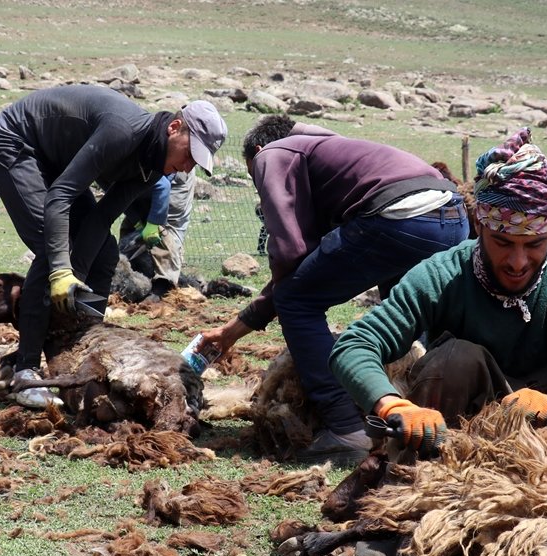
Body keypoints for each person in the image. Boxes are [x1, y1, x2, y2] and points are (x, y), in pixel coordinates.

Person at [329, 128, 547, 463]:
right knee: (455, 357)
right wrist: (392, 405)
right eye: (503, 242)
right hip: (465, 420)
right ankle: (427, 462)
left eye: (534, 244)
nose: (518, 262)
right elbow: (356, 344)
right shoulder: (442, 274)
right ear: (480, 226)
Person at [200, 114, 470, 466]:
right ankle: (428, 416)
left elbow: (290, 256)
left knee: (296, 300)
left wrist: (252, 317)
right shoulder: (330, 152)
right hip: (452, 216)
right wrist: (235, 330)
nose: (261, 185)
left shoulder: (272, 154)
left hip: (399, 217)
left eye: (255, 178)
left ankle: (345, 427)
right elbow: (309, 260)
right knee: (406, 310)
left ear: (259, 150)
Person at [0, 85, 226, 408]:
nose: (187, 167)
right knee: (52, 247)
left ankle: (78, 343)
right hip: (15, 142)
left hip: (55, 160)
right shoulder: (122, 132)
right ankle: (24, 371)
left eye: (197, 162)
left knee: (105, 252)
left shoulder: (152, 169)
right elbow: (61, 197)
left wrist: (74, 279)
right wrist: (61, 270)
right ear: (174, 128)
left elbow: (101, 218)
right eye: (190, 154)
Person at [117, 171, 196, 299]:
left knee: (165, 232)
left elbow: (163, 185)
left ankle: (163, 287)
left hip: (174, 176)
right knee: (131, 237)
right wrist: (136, 220)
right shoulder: (104, 168)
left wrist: (155, 223)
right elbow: (115, 192)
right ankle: (130, 282)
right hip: (137, 180)